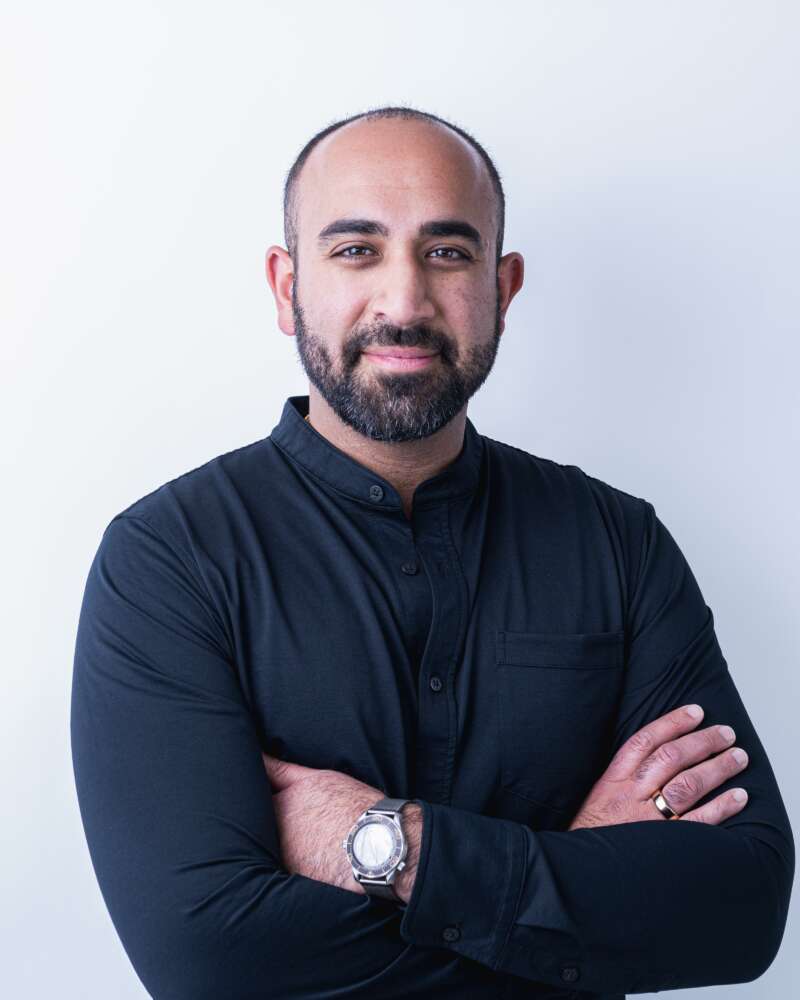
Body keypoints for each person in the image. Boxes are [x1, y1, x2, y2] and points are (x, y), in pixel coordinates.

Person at [71, 106, 794, 999]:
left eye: (447, 252)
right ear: (285, 284)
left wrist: (385, 843)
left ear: (504, 284)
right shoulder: (168, 561)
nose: (404, 302)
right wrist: (570, 876)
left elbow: (743, 908)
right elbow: (209, 963)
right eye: (356, 250)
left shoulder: (619, 543)